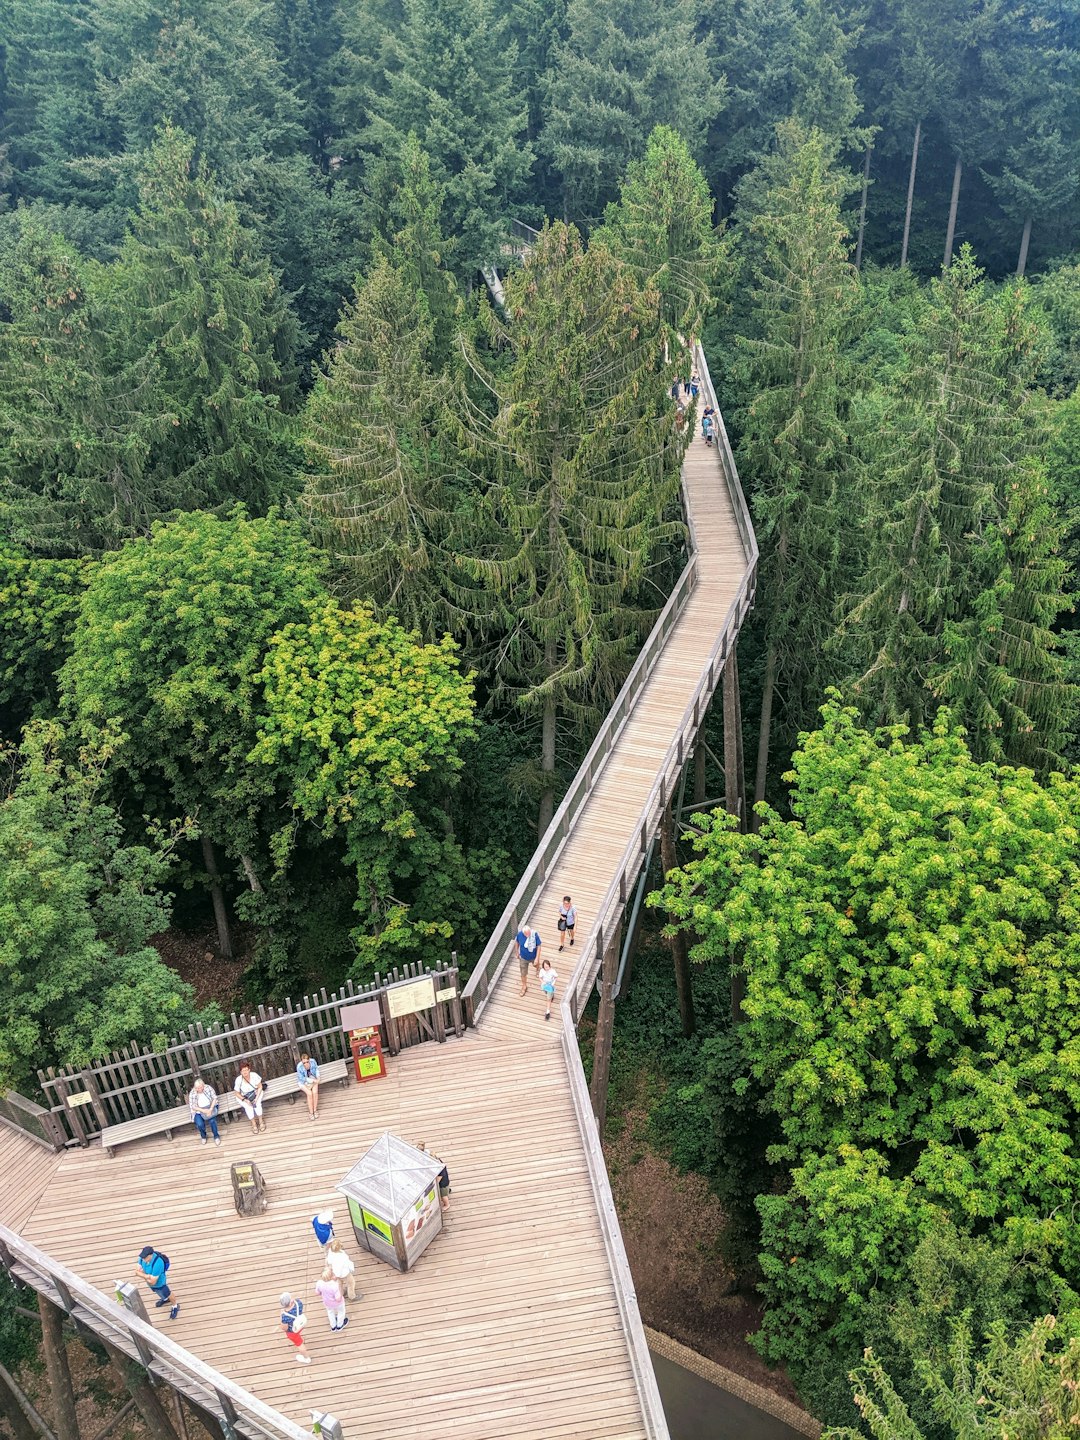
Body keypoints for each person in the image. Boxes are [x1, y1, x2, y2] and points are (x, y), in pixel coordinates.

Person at [136, 1246, 179, 1320]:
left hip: (160, 1284)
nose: (143, 1259)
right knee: (158, 1292)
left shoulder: (158, 1263)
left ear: (150, 1255)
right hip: (150, 1283)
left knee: (167, 1293)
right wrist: (147, 1276)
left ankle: (175, 1306)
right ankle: (165, 1299)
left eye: (145, 1258)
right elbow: (136, 1272)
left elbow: (153, 1282)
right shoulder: (142, 1258)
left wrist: (143, 1275)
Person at [418, 1142, 452, 1212]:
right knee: (445, 1190)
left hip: (443, 1183)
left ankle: (447, 1204)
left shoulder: (439, 1169)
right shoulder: (439, 1161)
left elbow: (438, 1180)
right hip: (445, 1180)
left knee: (443, 1196)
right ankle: (447, 1191)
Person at [233, 1062, 265, 1134]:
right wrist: (245, 1100)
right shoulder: (238, 1080)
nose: (245, 1072)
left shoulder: (254, 1075)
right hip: (244, 1096)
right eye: (243, 1071)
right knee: (248, 1107)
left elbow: (260, 1087)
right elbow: (236, 1093)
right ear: (241, 1072)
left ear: (249, 1070)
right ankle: (253, 1124)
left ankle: (261, 1121)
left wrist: (256, 1098)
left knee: (257, 1104)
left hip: (255, 1093)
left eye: (246, 1070)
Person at [279, 1291, 311, 1364]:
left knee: (299, 1344)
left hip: (293, 1331)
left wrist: (281, 1316)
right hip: (301, 1324)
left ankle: (306, 1358)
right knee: (299, 1336)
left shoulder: (285, 1316)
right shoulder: (298, 1303)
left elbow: (284, 1328)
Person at [187, 1078, 221, 1146]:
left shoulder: (208, 1088)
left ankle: (216, 1136)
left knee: (212, 1121)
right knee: (199, 1124)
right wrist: (203, 1110)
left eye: (200, 1087)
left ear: (203, 1085)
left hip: (210, 1106)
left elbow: (214, 1098)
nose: (199, 1089)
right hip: (199, 1110)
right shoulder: (192, 1093)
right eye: (197, 1088)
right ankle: (203, 1136)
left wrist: (210, 1109)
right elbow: (193, 1106)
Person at [314, 1267, 348, 1331]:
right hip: (338, 1303)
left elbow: (317, 1292)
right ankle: (339, 1325)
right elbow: (338, 1298)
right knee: (341, 1312)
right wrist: (341, 1293)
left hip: (327, 1302)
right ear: (332, 1277)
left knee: (330, 1312)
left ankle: (333, 1326)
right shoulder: (335, 1285)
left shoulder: (319, 1283)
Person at [515, 924, 541, 995]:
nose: (528, 934)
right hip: (523, 957)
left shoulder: (534, 935)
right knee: (523, 973)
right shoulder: (520, 935)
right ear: (523, 932)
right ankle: (524, 986)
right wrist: (517, 952)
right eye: (526, 934)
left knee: (536, 965)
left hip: (533, 956)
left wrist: (537, 958)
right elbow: (517, 942)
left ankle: (538, 969)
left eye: (529, 933)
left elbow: (539, 946)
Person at [296, 1053, 320, 1120]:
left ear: (309, 1060)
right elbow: (302, 1078)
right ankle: (311, 1112)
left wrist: (318, 1077)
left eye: (307, 1062)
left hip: (313, 1078)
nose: (306, 1064)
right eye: (304, 1063)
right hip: (303, 1082)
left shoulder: (313, 1061)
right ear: (302, 1062)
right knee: (309, 1094)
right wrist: (312, 1080)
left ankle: (315, 1110)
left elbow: (316, 1069)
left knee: (315, 1092)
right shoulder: (299, 1067)